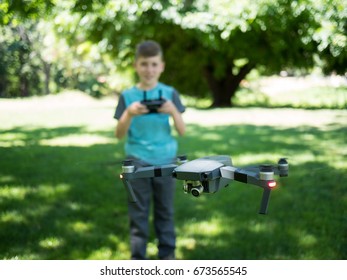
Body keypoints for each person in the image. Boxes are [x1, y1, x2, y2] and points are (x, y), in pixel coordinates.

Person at [114, 40, 186, 260]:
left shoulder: (170, 93)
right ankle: (138, 261)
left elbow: (182, 131)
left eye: (154, 64)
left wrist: (173, 110)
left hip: (166, 161)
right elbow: (118, 134)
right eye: (144, 64)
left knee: (165, 212)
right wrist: (129, 113)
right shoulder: (127, 97)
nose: (149, 70)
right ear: (136, 65)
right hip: (137, 161)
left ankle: (167, 258)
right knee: (138, 214)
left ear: (162, 66)